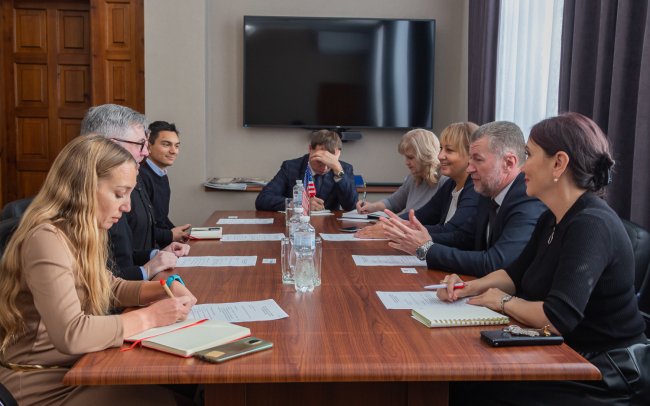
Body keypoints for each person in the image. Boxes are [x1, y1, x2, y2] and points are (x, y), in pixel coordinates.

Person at [439, 113, 649, 406]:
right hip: (567, 352)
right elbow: (513, 275)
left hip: (605, 370)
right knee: (465, 376)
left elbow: (556, 317)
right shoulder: (551, 217)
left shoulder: (591, 224)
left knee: (471, 386)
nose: (523, 165)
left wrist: (502, 302)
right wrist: (466, 288)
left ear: (559, 163)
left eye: (529, 155)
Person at [0, 134, 197, 406]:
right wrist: (150, 317)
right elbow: (72, 334)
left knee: (181, 394)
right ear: (83, 188)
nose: (127, 206)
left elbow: (109, 287)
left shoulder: (80, 231)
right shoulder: (45, 238)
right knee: (161, 397)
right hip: (42, 384)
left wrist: (164, 288)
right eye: (119, 194)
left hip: (79, 368)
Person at [382, 121, 546, 277]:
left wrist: (426, 248)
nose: (469, 168)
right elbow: (464, 237)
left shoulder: (527, 198)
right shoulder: (489, 189)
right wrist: (422, 238)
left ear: (509, 163)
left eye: (478, 160)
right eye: (470, 159)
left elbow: (495, 263)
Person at [80, 104, 189, 282]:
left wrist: (157, 254)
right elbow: (97, 281)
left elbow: (124, 253)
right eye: (140, 144)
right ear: (111, 146)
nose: (146, 152)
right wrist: (146, 270)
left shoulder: (127, 183)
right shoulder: (86, 200)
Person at [355, 123, 480, 239]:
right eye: (441, 148)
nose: (440, 156)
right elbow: (421, 216)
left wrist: (397, 230)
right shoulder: (450, 185)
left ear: (471, 154)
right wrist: (390, 224)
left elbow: (451, 232)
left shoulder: (474, 188)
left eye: (449, 150)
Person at [255, 129, 358, 212]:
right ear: (310, 149)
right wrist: (300, 203)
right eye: (320, 160)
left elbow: (352, 206)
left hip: (329, 225)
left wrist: (338, 170)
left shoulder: (344, 169)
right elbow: (262, 200)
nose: (325, 167)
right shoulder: (290, 167)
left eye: (330, 161)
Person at [134, 121, 191, 246]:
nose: (173, 151)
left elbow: (161, 219)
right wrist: (170, 235)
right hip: (147, 248)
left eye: (176, 146)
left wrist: (178, 233)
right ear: (148, 147)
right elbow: (139, 229)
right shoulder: (140, 175)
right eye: (166, 145)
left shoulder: (161, 173)